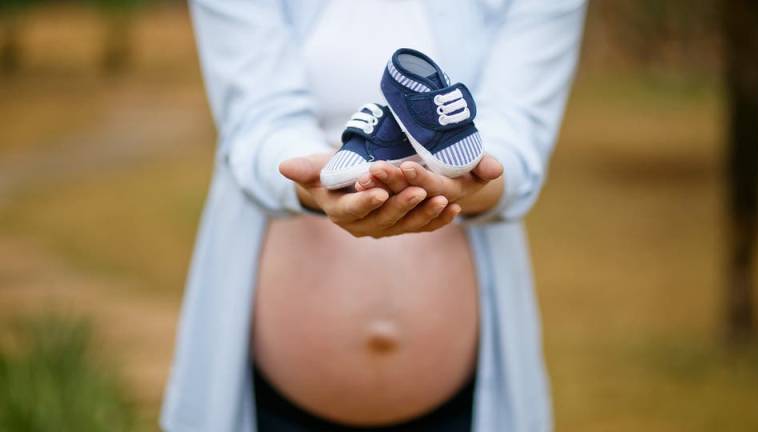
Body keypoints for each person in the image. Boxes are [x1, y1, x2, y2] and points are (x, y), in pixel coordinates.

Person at [161, 1, 587, 431]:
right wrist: (311, 183)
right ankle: (380, 138)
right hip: (270, 395)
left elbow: (519, 133)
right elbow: (257, 120)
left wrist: (470, 183)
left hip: (463, 401)